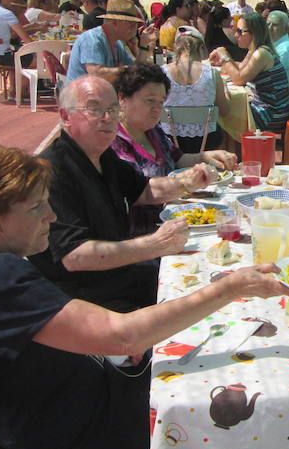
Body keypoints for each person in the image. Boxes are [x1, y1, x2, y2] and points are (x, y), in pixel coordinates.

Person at [0, 143, 289, 449]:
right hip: (72, 444)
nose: (52, 217)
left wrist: (110, 351)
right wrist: (229, 289)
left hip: (50, 409)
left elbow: (71, 340)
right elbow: (122, 336)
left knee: (205, 354)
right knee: (225, 397)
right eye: (35, 209)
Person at [28, 77, 211, 311]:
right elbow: (75, 256)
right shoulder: (52, 171)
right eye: (94, 109)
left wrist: (189, 181)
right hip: (87, 298)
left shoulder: (101, 155)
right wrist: (155, 244)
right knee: (196, 293)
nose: (108, 118)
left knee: (202, 268)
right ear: (65, 117)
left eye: (113, 109)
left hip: (122, 275)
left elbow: (144, 190)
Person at [111, 62, 236, 235]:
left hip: (179, 220)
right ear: (122, 98)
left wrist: (206, 157)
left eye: (161, 102)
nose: (157, 109)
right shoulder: (113, 142)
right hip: (144, 236)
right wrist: (184, 183)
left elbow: (177, 159)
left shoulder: (153, 131)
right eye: (149, 101)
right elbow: (140, 192)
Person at [210, 12, 289, 133]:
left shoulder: (261, 54)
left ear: (255, 33)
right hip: (269, 108)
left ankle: (232, 149)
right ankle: (233, 148)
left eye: (240, 31)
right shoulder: (255, 50)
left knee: (221, 113)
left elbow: (238, 79)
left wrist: (225, 58)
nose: (236, 35)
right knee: (225, 111)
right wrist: (222, 63)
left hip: (272, 114)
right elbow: (242, 68)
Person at [159, 31, 230, 153]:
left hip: (170, 140)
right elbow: (225, 111)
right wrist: (226, 91)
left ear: (176, 48)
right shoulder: (212, 73)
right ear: (201, 48)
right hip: (207, 140)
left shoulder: (162, 72)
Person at [65, 0, 157, 83]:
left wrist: (144, 45)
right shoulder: (92, 39)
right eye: (131, 24)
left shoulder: (117, 43)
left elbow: (135, 70)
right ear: (114, 22)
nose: (135, 28)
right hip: (82, 97)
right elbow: (96, 74)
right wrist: (126, 69)